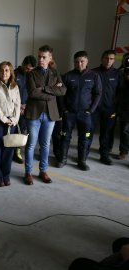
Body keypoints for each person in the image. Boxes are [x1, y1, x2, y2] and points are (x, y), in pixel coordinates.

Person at [23, 45, 66, 185]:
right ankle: (28, 172)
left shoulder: (55, 73)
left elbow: (63, 91)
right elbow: (32, 93)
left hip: (50, 115)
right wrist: (52, 92)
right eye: (39, 57)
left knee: (46, 145)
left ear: (50, 58)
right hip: (34, 113)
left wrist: (45, 89)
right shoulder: (31, 73)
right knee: (31, 145)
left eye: (44, 57)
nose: (40, 59)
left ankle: (43, 171)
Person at [58, 51, 102, 171]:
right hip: (70, 113)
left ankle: (81, 161)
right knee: (65, 136)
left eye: (82, 61)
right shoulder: (68, 76)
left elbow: (98, 94)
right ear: (74, 62)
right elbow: (61, 95)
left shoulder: (94, 76)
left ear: (87, 62)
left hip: (85, 114)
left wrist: (90, 110)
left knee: (84, 138)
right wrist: (64, 110)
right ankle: (63, 159)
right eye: (77, 61)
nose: (79, 64)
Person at [0, 61, 21, 187]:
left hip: (11, 122)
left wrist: (15, 119)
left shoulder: (15, 86)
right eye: (2, 70)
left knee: (8, 149)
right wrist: (4, 119)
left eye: (7, 70)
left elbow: (18, 105)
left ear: (11, 72)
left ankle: (6, 175)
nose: (4, 72)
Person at [87, 50, 120, 165]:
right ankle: (84, 153)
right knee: (89, 131)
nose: (108, 61)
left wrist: (115, 107)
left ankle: (104, 155)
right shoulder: (93, 72)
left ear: (114, 60)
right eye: (106, 58)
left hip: (109, 109)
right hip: (94, 109)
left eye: (111, 59)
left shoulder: (117, 74)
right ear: (102, 59)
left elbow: (120, 92)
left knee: (106, 133)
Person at [13, 55, 37, 164]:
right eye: (27, 68)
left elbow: (35, 92)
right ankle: (10, 152)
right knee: (12, 131)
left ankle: (17, 152)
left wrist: (26, 105)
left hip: (27, 107)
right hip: (14, 108)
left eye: (31, 69)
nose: (28, 71)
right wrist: (18, 105)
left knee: (22, 131)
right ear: (23, 64)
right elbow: (10, 92)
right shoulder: (14, 73)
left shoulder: (33, 75)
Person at [116, 53, 129, 160]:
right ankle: (123, 150)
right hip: (124, 106)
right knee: (124, 130)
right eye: (126, 60)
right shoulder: (119, 73)